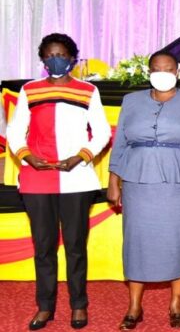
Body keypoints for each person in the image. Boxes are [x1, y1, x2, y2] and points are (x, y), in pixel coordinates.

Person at [107, 50, 180, 330]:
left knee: (179, 242)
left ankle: (176, 304)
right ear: (148, 72)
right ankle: (134, 307)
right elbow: (120, 143)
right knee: (137, 243)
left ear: (178, 71)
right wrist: (113, 180)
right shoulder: (131, 102)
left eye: (168, 69)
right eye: (156, 69)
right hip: (138, 184)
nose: (162, 73)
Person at [7, 33, 111, 330]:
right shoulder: (30, 90)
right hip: (37, 177)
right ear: (42, 60)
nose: (57, 60)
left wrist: (81, 156)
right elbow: (16, 132)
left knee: (76, 247)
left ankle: (79, 306)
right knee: (43, 247)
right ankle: (45, 307)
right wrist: (27, 156)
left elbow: (102, 132)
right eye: (51, 55)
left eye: (63, 55)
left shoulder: (88, 90)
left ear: (72, 59)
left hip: (76, 178)